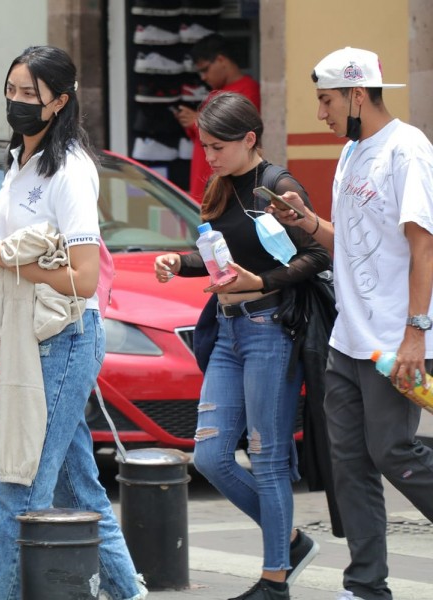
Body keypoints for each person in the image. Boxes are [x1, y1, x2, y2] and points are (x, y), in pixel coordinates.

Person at [0, 46, 147, 600]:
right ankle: (130, 593)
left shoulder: (70, 171)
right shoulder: (21, 162)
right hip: (30, 337)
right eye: (10, 90)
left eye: (28, 94)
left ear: (59, 102)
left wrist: (5, 257)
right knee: (80, 489)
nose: (15, 102)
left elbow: (85, 279)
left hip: (63, 338)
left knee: (21, 486)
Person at [269, 47, 433, 600]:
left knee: (394, 453)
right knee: (350, 466)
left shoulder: (408, 150)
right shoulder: (350, 154)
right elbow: (352, 248)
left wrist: (416, 332)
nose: (321, 113)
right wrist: (308, 222)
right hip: (347, 337)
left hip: (394, 339)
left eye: (326, 101)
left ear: (357, 94)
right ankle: (365, 587)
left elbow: (423, 248)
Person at [154, 92, 330, 600]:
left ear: (249, 139)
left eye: (218, 147)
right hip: (228, 331)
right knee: (210, 456)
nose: (209, 157)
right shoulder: (220, 185)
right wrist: (180, 263)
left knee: (268, 458)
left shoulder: (279, 187)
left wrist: (261, 282)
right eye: (204, 146)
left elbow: (317, 255)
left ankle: (275, 581)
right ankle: (291, 542)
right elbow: (221, 257)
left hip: (271, 329)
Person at [175, 33, 261, 202]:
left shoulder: (248, 89)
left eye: (205, 69)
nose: (203, 77)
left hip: (222, 192)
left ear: (221, 60)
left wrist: (197, 121)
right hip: (205, 191)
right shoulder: (216, 93)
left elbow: (233, 132)